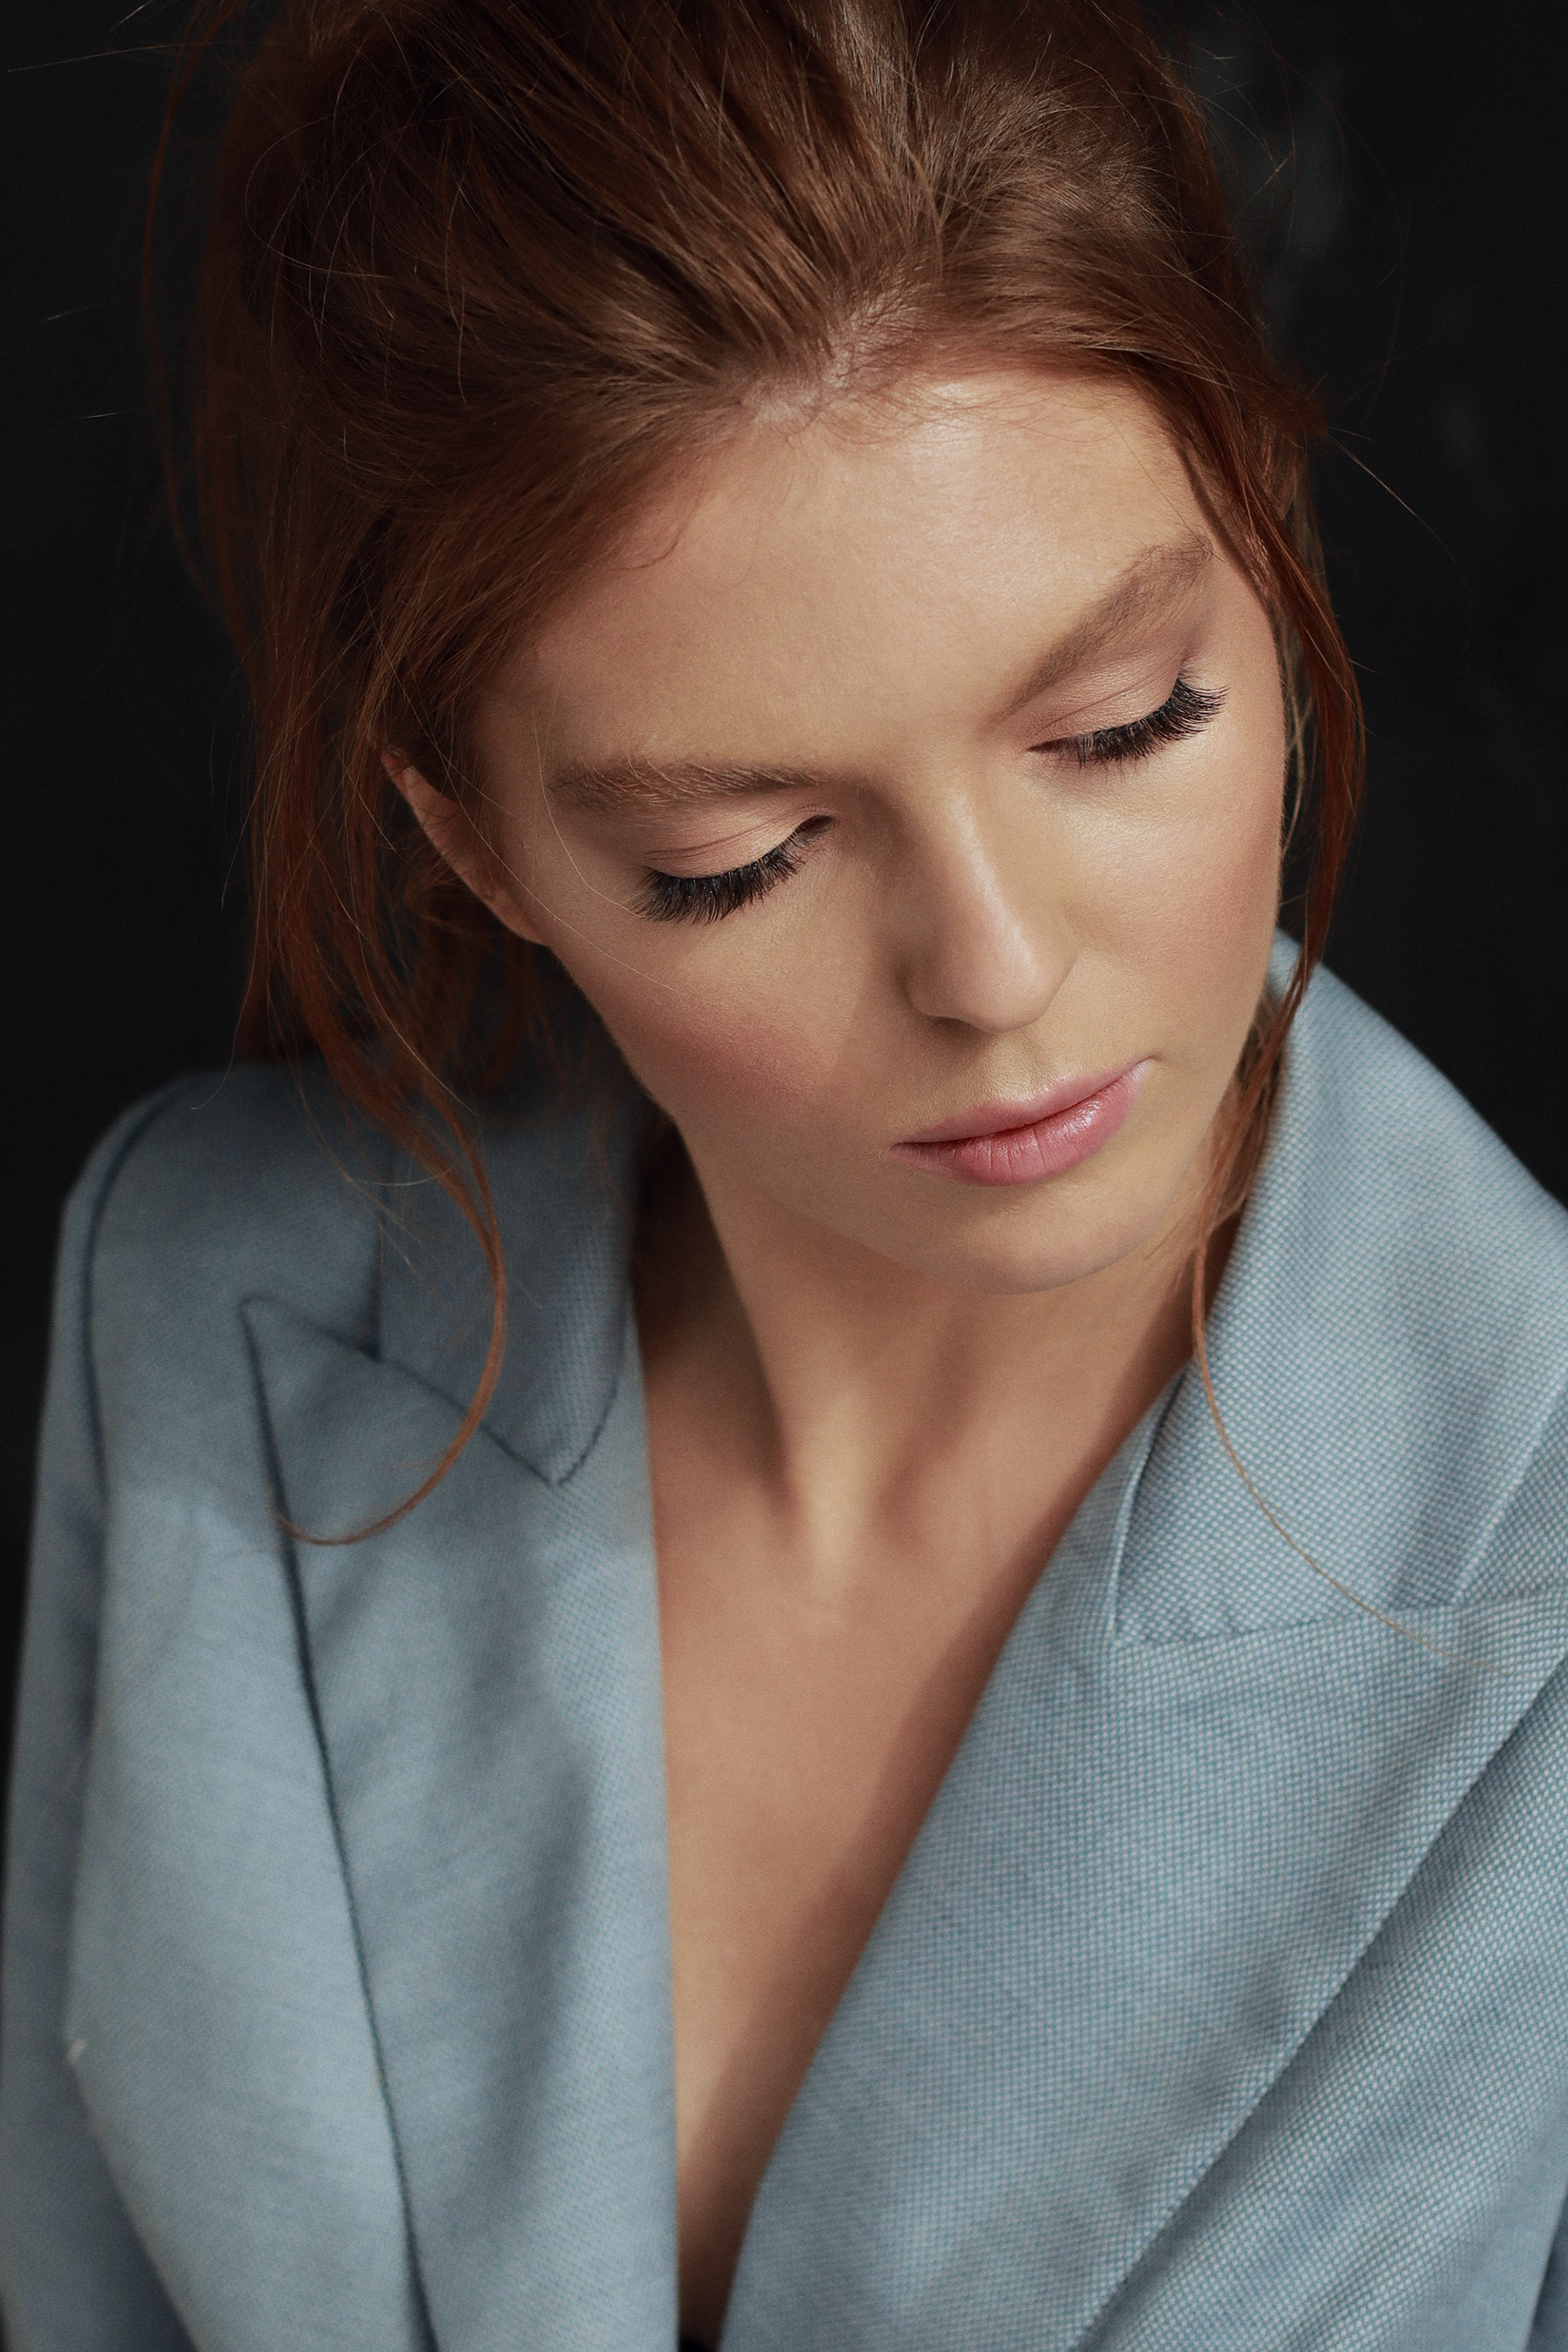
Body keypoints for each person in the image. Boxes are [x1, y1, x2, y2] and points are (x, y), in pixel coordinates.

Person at [3, 0, 1566, 2344]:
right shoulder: (205, 1302)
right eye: (738, 859)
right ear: (474, 837)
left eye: (1124, 723)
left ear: (1265, 532)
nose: (997, 969)